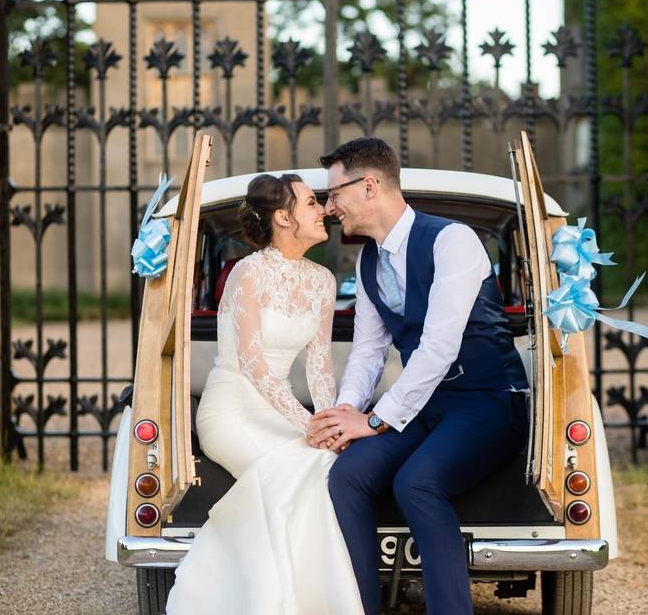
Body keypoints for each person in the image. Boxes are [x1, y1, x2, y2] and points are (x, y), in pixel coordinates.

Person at [308, 137, 529, 615]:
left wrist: (374, 421)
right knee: (348, 474)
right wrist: (349, 409)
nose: (330, 208)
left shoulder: (454, 240)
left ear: (369, 186)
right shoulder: (368, 261)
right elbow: (368, 351)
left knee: (417, 482)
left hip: (488, 400)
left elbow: (438, 347)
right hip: (426, 406)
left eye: (334, 194)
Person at [166, 173, 363, 615]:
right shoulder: (247, 274)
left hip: (280, 411)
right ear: (283, 216)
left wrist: (330, 421)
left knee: (327, 463)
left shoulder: (323, 281)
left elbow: (319, 363)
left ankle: (309, 598)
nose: (324, 211)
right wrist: (307, 423)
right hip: (231, 409)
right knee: (300, 468)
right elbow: (253, 364)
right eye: (312, 203)